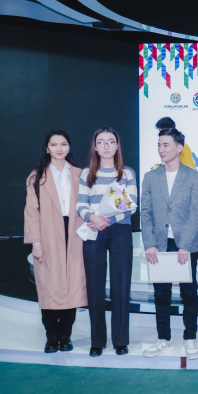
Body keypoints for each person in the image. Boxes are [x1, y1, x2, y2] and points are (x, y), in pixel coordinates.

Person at [141, 128, 198, 360]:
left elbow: (196, 212)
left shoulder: (194, 177)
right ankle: (163, 339)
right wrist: (149, 243)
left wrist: (185, 245)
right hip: (158, 244)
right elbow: (145, 213)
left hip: (186, 244)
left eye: (166, 145)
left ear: (179, 147)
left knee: (189, 293)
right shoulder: (150, 177)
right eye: (159, 145)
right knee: (161, 293)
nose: (161, 149)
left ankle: (190, 338)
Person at [24, 130, 87, 353]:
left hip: (75, 233)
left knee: (71, 288)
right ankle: (51, 336)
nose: (59, 148)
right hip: (48, 234)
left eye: (63, 144)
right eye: (54, 144)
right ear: (47, 148)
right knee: (49, 289)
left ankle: (66, 336)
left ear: (69, 147)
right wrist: (36, 242)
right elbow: (31, 212)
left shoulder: (81, 174)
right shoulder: (37, 176)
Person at [77, 127, 138, 357]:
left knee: (121, 287)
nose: (106, 146)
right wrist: (91, 217)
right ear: (94, 146)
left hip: (120, 231)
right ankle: (97, 341)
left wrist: (108, 220)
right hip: (93, 230)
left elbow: (131, 206)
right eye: (101, 142)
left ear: (117, 146)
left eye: (110, 142)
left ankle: (121, 340)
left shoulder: (127, 174)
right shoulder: (86, 174)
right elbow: (80, 204)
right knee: (95, 287)